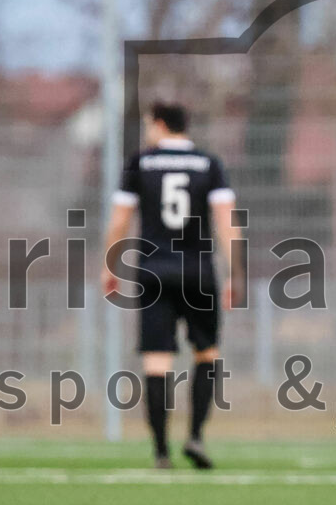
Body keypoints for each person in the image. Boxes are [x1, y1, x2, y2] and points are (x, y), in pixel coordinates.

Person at [101, 101, 239, 469]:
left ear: (160, 124)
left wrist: (108, 264)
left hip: (153, 271)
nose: (148, 131)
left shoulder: (140, 163)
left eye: (149, 124)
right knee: (206, 353)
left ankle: (161, 452)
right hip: (198, 272)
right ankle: (195, 437)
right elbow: (226, 221)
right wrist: (234, 272)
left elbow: (119, 221)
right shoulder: (209, 164)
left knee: (157, 361)